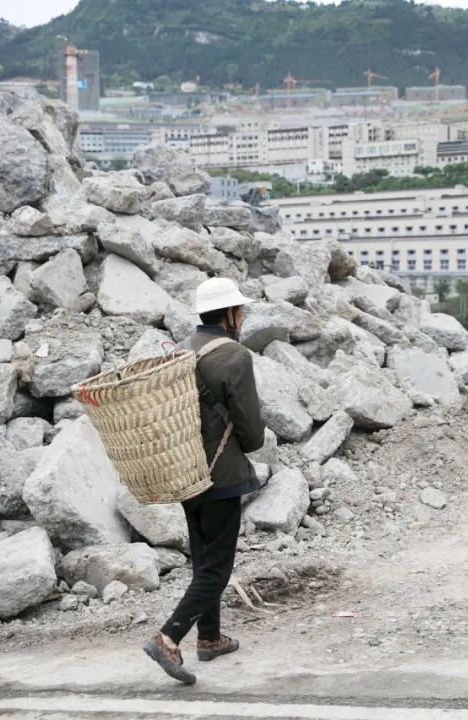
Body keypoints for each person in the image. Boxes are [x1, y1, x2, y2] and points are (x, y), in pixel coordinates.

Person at [143, 277, 266, 685]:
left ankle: (210, 639)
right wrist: (248, 440)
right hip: (222, 475)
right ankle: (168, 637)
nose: (242, 317)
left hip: (187, 472)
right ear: (231, 313)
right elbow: (251, 431)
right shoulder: (235, 356)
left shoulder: (181, 351)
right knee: (217, 566)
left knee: (203, 559)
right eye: (241, 310)